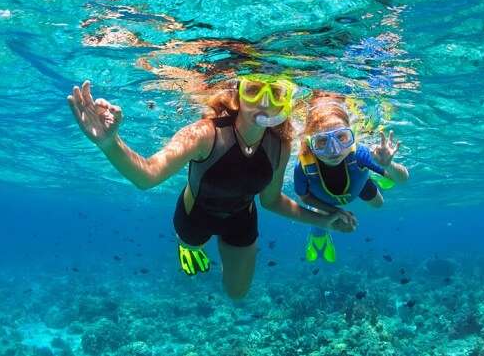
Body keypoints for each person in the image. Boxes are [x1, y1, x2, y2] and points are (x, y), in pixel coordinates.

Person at [67, 76, 356, 299]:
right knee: (192, 243)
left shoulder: (280, 144)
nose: (265, 102)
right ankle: (187, 246)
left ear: (284, 101)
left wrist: (325, 220)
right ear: (238, 96)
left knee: (237, 294)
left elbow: (271, 201)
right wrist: (109, 143)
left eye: (276, 93)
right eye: (254, 90)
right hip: (195, 216)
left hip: (242, 218)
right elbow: (147, 176)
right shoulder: (205, 133)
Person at [294, 93, 409, 263]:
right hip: (325, 200)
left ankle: (378, 173)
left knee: (379, 204)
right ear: (310, 143)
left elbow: (403, 180)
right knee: (321, 218)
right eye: (322, 142)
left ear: (352, 135)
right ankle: (318, 238)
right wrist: (336, 211)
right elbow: (304, 197)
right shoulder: (303, 166)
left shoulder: (360, 153)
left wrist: (388, 165)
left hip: (359, 184)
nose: (334, 150)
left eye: (341, 137)